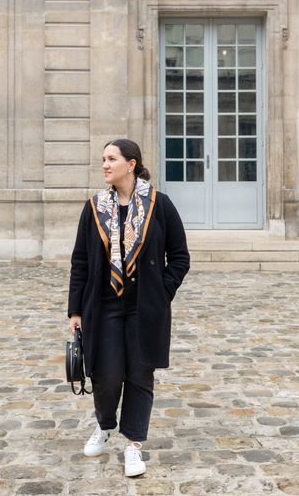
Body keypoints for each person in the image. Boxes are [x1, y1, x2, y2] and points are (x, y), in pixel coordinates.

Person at [67, 139, 190, 478]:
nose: (105, 165)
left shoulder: (159, 205)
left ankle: (133, 444)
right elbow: (80, 261)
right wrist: (74, 311)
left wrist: (160, 293)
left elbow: (179, 257)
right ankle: (105, 425)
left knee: (139, 375)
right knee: (105, 374)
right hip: (102, 305)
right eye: (103, 159)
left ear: (131, 164)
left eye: (111, 159)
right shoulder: (94, 207)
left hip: (143, 307)